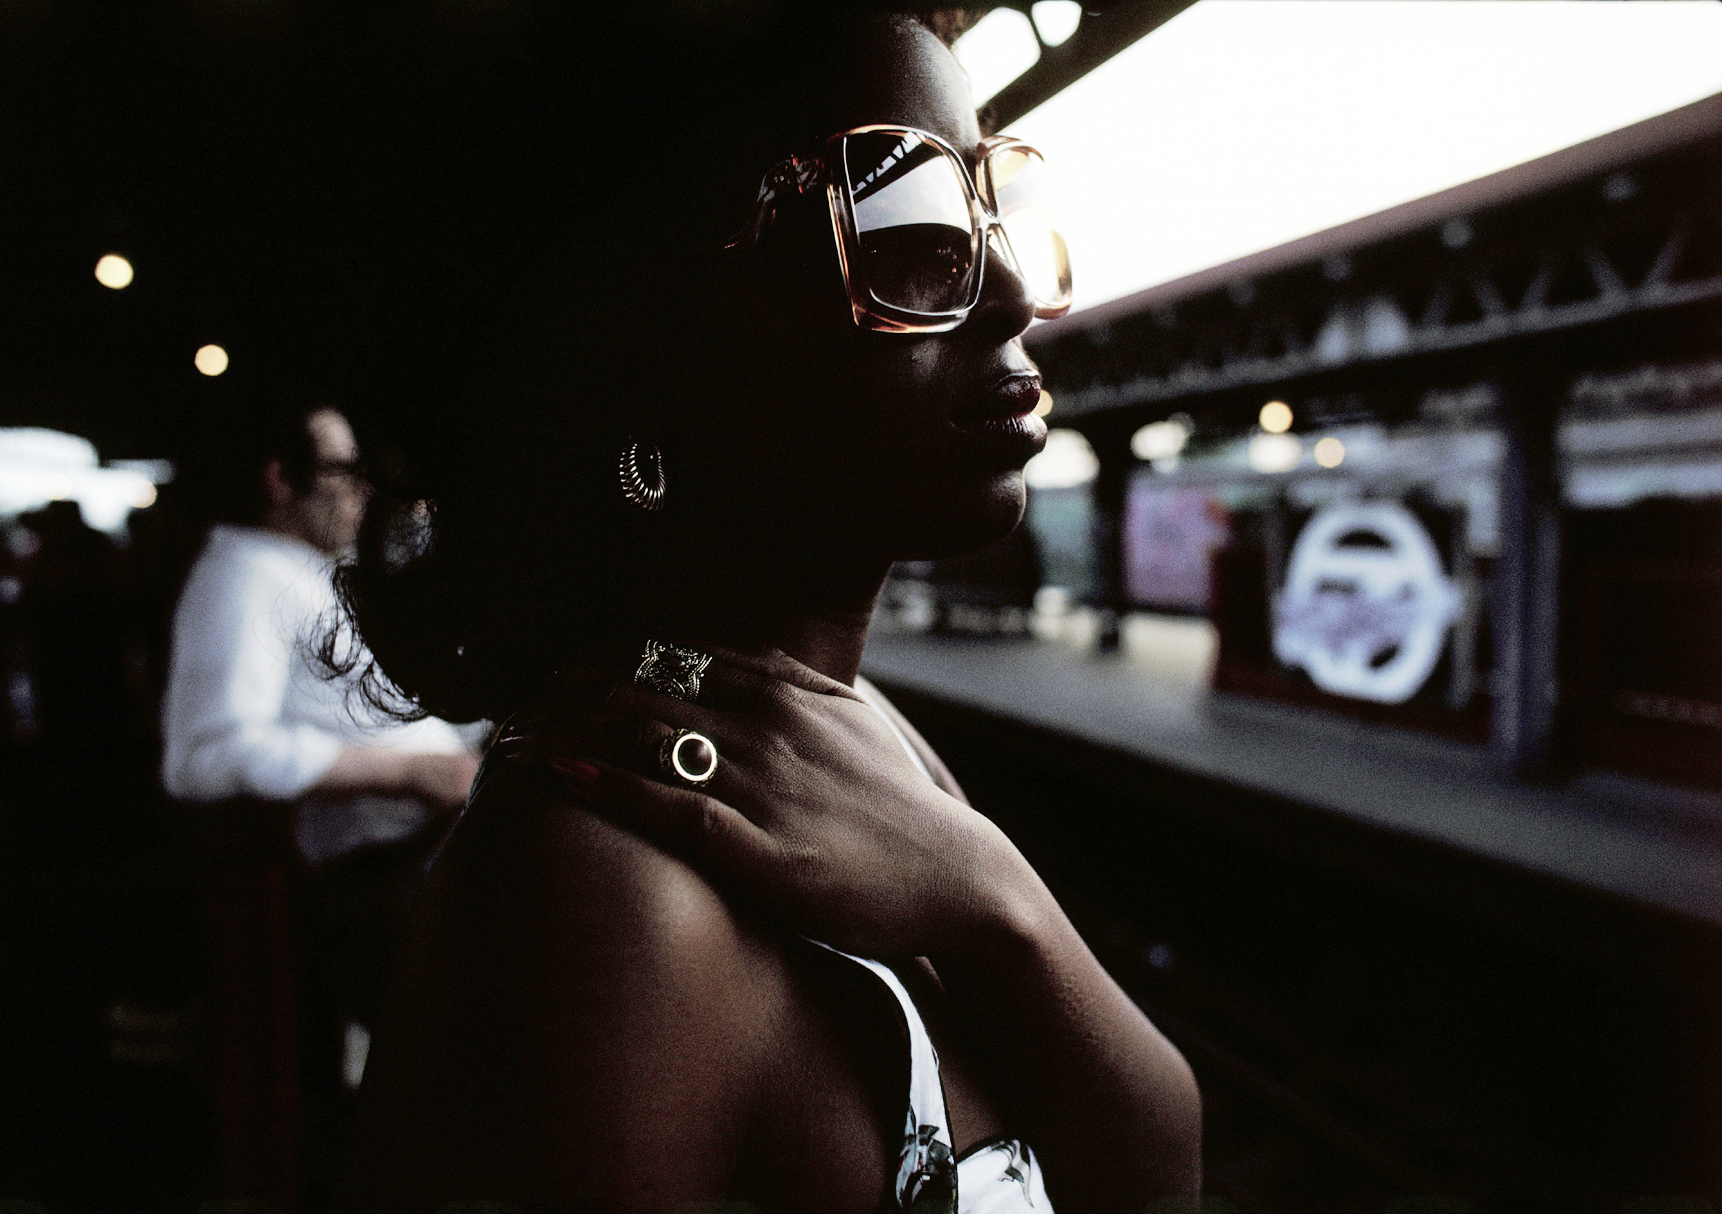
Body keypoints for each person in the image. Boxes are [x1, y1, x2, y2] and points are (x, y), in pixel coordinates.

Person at [323, 9, 1202, 1212]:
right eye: (899, 213)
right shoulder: (603, 903)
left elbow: (1157, 1166)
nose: (1006, 287)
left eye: (991, 199)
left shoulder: (848, 736)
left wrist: (998, 902)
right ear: (642, 337)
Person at [160, 402, 479, 1021]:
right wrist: (416, 772)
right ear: (281, 478)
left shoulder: (296, 568)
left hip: (417, 854)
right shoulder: (243, 572)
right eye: (344, 469)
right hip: (385, 874)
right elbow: (204, 757)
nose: (363, 489)